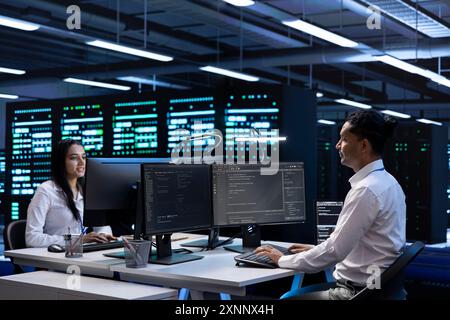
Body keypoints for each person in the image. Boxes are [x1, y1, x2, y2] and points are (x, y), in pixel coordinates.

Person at [255, 110, 406, 300]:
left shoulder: (367, 190)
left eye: (343, 139)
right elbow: (365, 244)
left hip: (358, 292)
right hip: (380, 287)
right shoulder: (388, 182)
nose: (337, 145)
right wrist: (316, 249)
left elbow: (335, 251)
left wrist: (282, 259)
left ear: (363, 145)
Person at [26, 139, 116, 247]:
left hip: (81, 254)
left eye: (83, 157)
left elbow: (101, 225)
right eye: (74, 158)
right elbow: (32, 239)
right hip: (56, 256)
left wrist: (103, 235)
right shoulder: (46, 190)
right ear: (60, 162)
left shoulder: (87, 190)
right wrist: (77, 240)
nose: (82, 162)